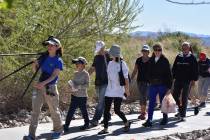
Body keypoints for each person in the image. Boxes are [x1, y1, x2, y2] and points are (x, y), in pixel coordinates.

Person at [23, 37, 64, 140]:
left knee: (53, 110)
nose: (49, 47)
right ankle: (31, 135)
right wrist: (34, 65)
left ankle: (58, 130)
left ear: (57, 47)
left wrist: (43, 84)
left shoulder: (58, 60)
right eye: (48, 45)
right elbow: (35, 72)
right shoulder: (43, 58)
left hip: (50, 88)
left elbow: (54, 75)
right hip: (39, 87)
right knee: (35, 111)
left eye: (51, 45)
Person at [98, 44, 131, 134]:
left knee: (117, 110)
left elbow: (126, 79)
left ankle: (126, 122)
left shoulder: (122, 64)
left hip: (119, 90)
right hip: (109, 90)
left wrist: (127, 90)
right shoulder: (110, 63)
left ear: (114, 54)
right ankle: (105, 128)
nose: (109, 54)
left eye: (110, 53)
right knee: (106, 110)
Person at [142, 43, 172, 127]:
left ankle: (165, 118)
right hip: (153, 85)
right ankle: (149, 120)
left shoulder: (165, 60)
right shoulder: (151, 60)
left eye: (159, 50)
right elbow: (148, 72)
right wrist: (149, 80)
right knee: (151, 103)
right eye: (156, 50)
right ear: (153, 51)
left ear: (161, 50)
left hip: (162, 85)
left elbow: (169, 75)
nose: (157, 51)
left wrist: (169, 87)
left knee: (163, 102)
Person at [172, 42, 199, 121]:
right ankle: (191, 107)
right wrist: (173, 77)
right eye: (183, 48)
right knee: (175, 96)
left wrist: (194, 79)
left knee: (184, 97)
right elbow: (174, 67)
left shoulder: (192, 57)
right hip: (178, 79)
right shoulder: (178, 56)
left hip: (188, 80)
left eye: (186, 48)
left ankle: (182, 115)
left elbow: (195, 70)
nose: (184, 49)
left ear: (189, 48)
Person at [63, 57, 90, 132]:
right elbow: (74, 83)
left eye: (78, 63)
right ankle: (66, 125)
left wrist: (78, 87)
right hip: (74, 95)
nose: (76, 64)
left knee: (83, 111)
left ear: (83, 64)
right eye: (76, 63)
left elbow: (87, 85)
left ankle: (87, 124)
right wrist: (71, 85)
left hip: (82, 96)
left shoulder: (86, 74)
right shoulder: (75, 73)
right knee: (71, 110)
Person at [88, 41, 111, 126]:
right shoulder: (96, 57)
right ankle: (107, 116)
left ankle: (95, 119)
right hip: (98, 82)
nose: (100, 50)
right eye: (99, 49)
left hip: (106, 82)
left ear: (104, 47)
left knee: (101, 101)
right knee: (102, 101)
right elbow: (92, 68)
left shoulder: (108, 56)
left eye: (101, 48)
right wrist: (86, 75)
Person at [131, 44, 150, 120]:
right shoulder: (138, 60)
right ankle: (143, 112)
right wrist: (131, 79)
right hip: (139, 81)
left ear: (148, 52)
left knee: (143, 96)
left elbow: (154, 71)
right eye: (143, 50)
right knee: (142, 96)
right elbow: (135, 70)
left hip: (148, 82)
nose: (144, 52)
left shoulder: (151, 60)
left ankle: (143, 113)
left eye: (146, 51)